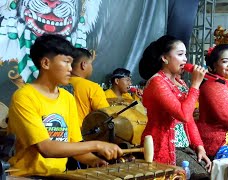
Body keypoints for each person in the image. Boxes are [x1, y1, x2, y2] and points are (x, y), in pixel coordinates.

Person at [7, 34, 122, 177]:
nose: (70, 68)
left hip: (58, 175)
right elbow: (46, 148)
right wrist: (97, 145)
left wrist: (95, 161)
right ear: (46, 63)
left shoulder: (67, 97)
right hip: (26, 176)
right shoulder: (24, 97)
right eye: (66, 62)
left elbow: (75, 145)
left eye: (71, 62)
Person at [139, 35, 211, 179]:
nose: (185, 59)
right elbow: (182, 114)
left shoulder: (181, 83)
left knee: (208, 172)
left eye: (185, 54)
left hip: (183, 146)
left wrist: (199, 146)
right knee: (201, 177)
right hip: (162, 145)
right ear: (164, 58)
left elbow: (188, 119)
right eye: (180, 54)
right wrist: (196, 85)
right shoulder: (157, 82)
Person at [69, 48, 110, 128]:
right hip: (82, 136)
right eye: (91, 64)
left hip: (58, 134)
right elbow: (105, 116)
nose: (92, 68)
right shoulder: (92, 88)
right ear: (83, 65)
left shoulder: (57, 83)